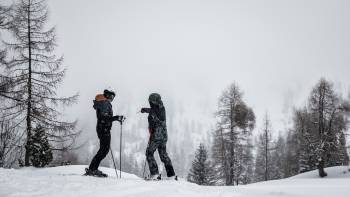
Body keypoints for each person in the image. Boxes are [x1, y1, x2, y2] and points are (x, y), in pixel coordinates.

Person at [85, 89, 125, 177]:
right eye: (111, 96)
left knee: (103, 150)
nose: (112, 98)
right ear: (107, 95)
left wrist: (116, 118)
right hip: (104, 129)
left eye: (113, 97)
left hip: (102, 128)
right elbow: (104, 118)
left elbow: (104, 117)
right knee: (104, 150)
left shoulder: (102, 103)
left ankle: (93, 168)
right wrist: (117, 118)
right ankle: (92, 169)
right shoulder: (104, 103)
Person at [141, 93, 177, 180]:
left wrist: (152, 132)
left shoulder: (155, 110)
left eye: (150, 101)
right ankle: (171, 175)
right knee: (163, 155)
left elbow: (153, 113)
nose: (150, 103)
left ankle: (155, 174)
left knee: (149, 153)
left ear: (153, 101)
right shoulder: (161, 107)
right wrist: (145, 110)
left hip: (156, 135)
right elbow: (153, 110)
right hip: (164, 136)